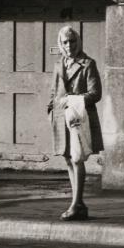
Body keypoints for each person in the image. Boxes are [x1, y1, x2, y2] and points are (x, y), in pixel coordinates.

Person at [48, 24, 103, 221]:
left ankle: (77, 204)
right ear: (60, 44)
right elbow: (54, 92)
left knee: (77, 158)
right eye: (65, 42)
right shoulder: (58, 65)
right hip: (62, 117)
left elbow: (96, 94)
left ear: (78, 42)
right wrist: (50, 111)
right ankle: (77, 203)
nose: (69, 45)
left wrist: (73, 100)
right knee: (68, 159)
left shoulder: (88, 64)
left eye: (72, 41)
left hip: (81, 118)